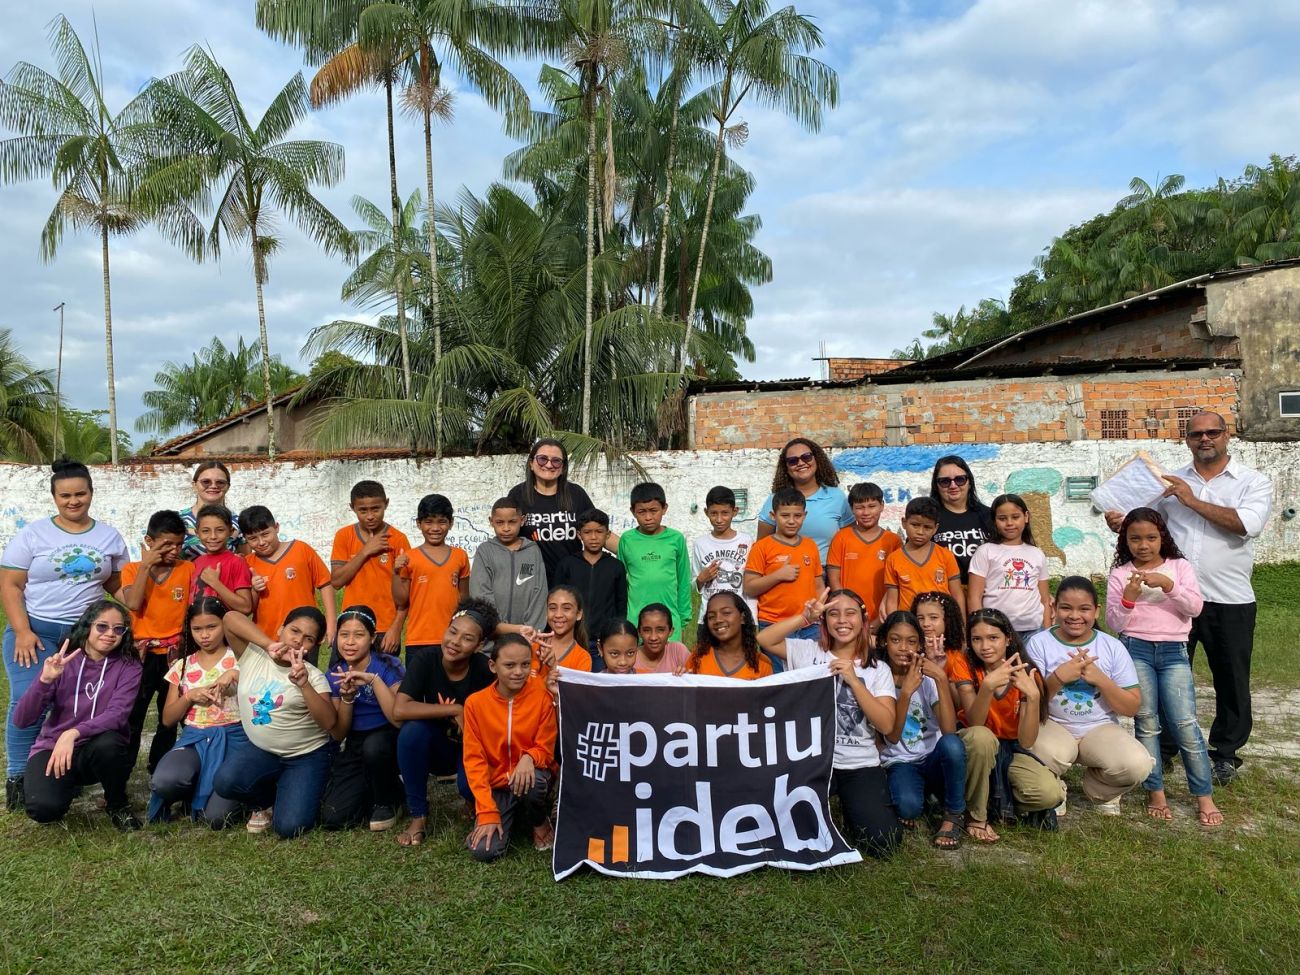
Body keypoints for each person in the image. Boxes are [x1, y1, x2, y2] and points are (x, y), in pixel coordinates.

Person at [1104, 410, 1273, 786]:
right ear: (1187, 440)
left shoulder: (1252, 482)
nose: (1204, 439)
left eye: (1212, 432)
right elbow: (1146, 526)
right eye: (1196, 434)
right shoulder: (1168, 482)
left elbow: (1247, 525)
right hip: (1171, 599)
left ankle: (1225, 753)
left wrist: (1190, 499)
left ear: (1227, 435)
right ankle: (1163, 749)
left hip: (1229, 597)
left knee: (1231, 679)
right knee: (1166, 674)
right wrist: (1122, 523)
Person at [2, 460, 128, 810]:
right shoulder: (34, 534)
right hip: (37, 631)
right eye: (65, 496)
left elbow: (116, 583)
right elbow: (10, 585)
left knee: (78, 703)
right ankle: (18, 775)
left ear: (91, 493)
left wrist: (137, 603)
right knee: (28, 697)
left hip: (85, 636)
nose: (73, 501)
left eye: (80, 494)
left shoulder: (108, 536)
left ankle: (67, 768)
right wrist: (22, 631)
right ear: (55, 497)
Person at [757, 588, 902, 857]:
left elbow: (886, 726)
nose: (842, 620)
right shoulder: (807, 651)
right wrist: (804, 618)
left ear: (863, 619)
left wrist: (854, 681)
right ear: (824, 620)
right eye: (834, 614)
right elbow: (764, 638)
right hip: (812, 761)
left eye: (850, 613)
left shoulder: (877, 668)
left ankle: (851, 806)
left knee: (884, 843)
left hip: (859, 763)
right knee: (789, 836)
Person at [1106, 511, 1221, 826]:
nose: (1143, 545)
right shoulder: (1121, 573)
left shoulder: (1179, 567)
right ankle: (1155, 791)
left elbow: (1194, 608)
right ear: (1125, 541)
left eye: (1151, 538)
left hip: (1173, 651)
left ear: (1163, 538)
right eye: (1135, 539)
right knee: (1146, 722)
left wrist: (1169, 586)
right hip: (1136, 650)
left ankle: (1204, 795)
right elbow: (1114, 623)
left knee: (1185, 723)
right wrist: (1129, 598)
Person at [1024, 577, 1154, 815]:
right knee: (1037, 750)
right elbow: (1029, 702)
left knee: (1138, 764)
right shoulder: (1039, 643)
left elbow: (1131, 707)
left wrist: (1101, 679)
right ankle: (1054, 788)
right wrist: (1058, 678)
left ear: (1096, 611)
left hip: (1099, 727)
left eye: (1084, 609)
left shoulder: (1112, 646)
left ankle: (1100, 789)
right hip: (1052, 724)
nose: (1075, 616)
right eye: (1066, 608)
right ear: (1053, 608)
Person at [16, 600, 142, 830]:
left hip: (96, 747)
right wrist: (45, 680)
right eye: (102, 626)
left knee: (111, 743)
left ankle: (117, 804)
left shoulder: (129, 666)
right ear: (87, 626)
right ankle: (64, 785)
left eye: (118, 629)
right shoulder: (63, 662)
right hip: (55, 747)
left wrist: (73, 732)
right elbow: (22, 719)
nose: (110, 634)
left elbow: (117, 715)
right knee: (43, 809)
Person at [212, 608, 336, 839]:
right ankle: (266, 801)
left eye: (308, 638)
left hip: (305, 756)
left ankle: (304, 787)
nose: (298, 640)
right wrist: (268, 644)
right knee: (225, 782)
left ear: (313, 646)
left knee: (290, 827)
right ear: (281, 629)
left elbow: (329, 722)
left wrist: (304, 685)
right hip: (264, 751)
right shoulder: (253, 656)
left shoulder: (313, 676)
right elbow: (229, 618)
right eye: (294, 631)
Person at [947, 609, 1062, 840]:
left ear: (1008, 639)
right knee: (982, 737)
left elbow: (1026, 741)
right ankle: (976, 816)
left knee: (1049, 794)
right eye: (976, 639)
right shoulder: (965, 664)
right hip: (974, 745)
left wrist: (1033, 697)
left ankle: (998, 803)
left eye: (993, 638)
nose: (985, 646)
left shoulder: (1026, 673)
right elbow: (975, 723)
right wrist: (988, 687)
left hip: (1010, 747)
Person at [393, 599, 500, 847]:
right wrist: (454, 708)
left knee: (468, 787)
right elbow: (400, 709)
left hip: (472, 749)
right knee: (411, 733)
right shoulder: (426, 659)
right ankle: (418, 815)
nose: (455, 642)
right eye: (453, 631)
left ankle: (472, 801)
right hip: (438, 747)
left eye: (467, 638)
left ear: (479, 645)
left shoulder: (485, 671)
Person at [146, 596, 244, 825]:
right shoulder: (182, 666)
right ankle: (194, 785)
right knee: (165, 781)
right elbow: (168, 719)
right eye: (197, 629)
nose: (205, 635)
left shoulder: (240, 658)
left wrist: (233, 676)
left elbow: (257, 687)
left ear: (224, 624)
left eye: (212, 627)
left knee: (217, 818)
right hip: (195, 738)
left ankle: (237, 795)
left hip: (235, 738)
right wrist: (189, 697)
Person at [463, 633, 558, 861]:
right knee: (484, 852)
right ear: (493, 666)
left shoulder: (541, 697)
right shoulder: (475, 704)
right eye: (509, 665)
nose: (518, 672)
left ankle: (538, 820)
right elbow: (474, 760)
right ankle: (497, 816)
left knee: (535, 781)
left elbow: (546, 749)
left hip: (532, 777)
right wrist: (487, 811)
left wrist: (529, 757)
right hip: (497, 786)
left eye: (525, 664)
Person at [877, 611, 965, 849]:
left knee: (952, 745)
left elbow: (949, 730)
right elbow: (891, 737)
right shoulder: (878, 676)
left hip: (932, 757)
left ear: (920, 645)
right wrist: (905, 693)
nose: (903, 648)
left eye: (911, 641)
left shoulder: (927, 677)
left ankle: (954, 813)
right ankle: (925, 796)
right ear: (884, 641)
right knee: (908, 807)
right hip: (900, 761)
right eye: (895, 640)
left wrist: (941, 678)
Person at [119, 509, 194, 774]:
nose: (174, 550)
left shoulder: (187, 569)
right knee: (133, 715)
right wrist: (146, 566)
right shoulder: (131, 570)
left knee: (168, 717)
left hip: (175, 655)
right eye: (167, 544)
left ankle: (159, 768)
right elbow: (133, 603)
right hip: (140, 656)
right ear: (149, 541)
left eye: (179, 544)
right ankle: (122, 773)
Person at [321, 606, 406, 832]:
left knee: (374, 747)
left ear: (372, 638)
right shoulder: (334, 674)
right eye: (344, 635)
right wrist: (347, 699)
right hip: (355, 743)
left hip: (388, 738)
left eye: (358, 635)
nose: (350, 642)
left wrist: (374, 681)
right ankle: (378, 789)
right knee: (334, 817)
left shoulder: (388, 665)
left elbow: (398, 719)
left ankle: (388, 800)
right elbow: (339, 733)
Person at [507, 438, 616, 586]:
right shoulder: (518, 495)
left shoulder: (576, 494)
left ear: (563, 467)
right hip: (531, 581)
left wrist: (634, 552)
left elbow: (597, 530)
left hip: (572, 579)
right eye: (542, 459)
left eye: (556, 461)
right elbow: (506, 535)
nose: (549, 465)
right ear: (531, 463)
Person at [242, 505, 337, 662]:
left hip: (305, 636)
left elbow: (325, 583)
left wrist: (331, 622)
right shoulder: (247, 564)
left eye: (265, 534)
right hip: (268, 639)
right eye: (253, 538)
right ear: (245, 539)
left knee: (306, 674)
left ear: (276, 527)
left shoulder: (301, 550)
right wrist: (254, 590)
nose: (261, 542)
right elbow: (247, 608)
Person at [330, 480, 411, 656]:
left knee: (382, 673)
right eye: (363, 510)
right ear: (352, 508)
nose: (370, 516)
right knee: (345, 673)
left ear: (386, 504)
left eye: (375, 509)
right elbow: (336, 581)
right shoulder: (344, 536)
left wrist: (396, 628)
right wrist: (365, 551)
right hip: (351, 624)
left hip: (385, 628)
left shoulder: (398, 539)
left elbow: (406, 592)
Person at [392, 494, 470, 664]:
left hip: (452, 639)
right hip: (418, 639)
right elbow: (401, 600)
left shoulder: (460, 556)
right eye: (428, 522)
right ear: (418, 524)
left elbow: (464, 598)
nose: (435, 528)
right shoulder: (409, 558)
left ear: (451, 523)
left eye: (442, 522)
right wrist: (396, 572)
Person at [967, 493, 1052, 643]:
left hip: (1033, 631)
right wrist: (980, 629)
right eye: (1002, 518)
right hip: (996, 630)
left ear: (1026, 517)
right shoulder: (985, 551)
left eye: (1015, 517)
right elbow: (974, 597)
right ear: (994, 521)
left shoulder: (1037, 554)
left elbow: (1045, 600)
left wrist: (1046, 634)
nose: (1009, 523)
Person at [744, 488, 824, 646]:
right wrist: (778, 575)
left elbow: (818, 585)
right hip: (774, 624)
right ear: (773, 516)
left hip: (809, 624)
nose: (791, 521)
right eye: (785, 515)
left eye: (797, 516)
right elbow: (749, 588)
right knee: (779, 664)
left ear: (804, 515)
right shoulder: (761, 547)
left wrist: (821, 612)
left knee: (811, 663)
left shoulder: (810, 546)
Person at [618, 483, 692, 643]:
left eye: (653, 510)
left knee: (670, 659)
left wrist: (683, 620)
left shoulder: (676, 539)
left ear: (664, 508)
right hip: (635, 622)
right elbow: (620, 582)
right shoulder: (627, 540)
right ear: (633, 511)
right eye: (641, 512)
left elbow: (684, 580)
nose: (648, 517)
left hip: (670, 621)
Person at [757, 437, 852, 561]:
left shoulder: (837, 497)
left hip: (827, 570)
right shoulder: (776, 499)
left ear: (816, 459)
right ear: (786, 467)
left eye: (806, 457)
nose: (801, 463)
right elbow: (761, 547)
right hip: (786, 569)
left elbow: (850, 541)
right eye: (793, 461)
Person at [554, 508, 627, 660]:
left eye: (599, 532)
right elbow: (555, 602)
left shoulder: (616, 566)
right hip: (571, 640)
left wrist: (615, 634)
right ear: (579, 534)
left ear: (608, 534)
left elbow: (621, 605)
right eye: (587, 532)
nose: (593, 537)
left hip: (603, 642)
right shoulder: (567, 565)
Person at [470, 497, 548, 636]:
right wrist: (498, 625)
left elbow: (540, 592)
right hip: (492, 635)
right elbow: (480, 593)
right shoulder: (485, 551)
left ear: (522, 520)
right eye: (500, 522)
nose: (506, 528)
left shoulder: (532, 551)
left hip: (528, 637)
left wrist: (531, 629)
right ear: (491, 521)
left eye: (512, 522)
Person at [826, 481, 900, 622]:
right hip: (849, 616)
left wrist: (882, 617)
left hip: (882, 615)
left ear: (882, 506)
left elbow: (896, 584)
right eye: (859, 507)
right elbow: (834, 579)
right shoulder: (841, 537)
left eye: (872, 506)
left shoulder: (893, 541)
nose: (866, 513)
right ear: (852, 509)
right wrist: (847, 609)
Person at [883, 497, 965, 616]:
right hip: (909, 622)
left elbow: (957, 594)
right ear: (904, 523)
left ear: (935, 528)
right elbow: (892, 601)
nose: (920, 532)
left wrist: (961, 624)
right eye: (915, 525)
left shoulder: (945, 555)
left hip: (941, 621)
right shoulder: (893, 559)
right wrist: (894, 623)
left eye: (927, 527)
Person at [691, 486, 756, 624]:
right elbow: (695, 583)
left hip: (740, 617)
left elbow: (752, 579)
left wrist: (751, 617)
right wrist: (702, 578)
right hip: (709, 617)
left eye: (725, 513)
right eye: (714, 513)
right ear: (706, 512)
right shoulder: (700, 544)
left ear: (735, 511)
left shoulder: (747, 541)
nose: (719, 519)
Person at [928, 454, 993, 583]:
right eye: (945, 481)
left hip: (986, 590)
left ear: (970, 482)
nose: (953, 485)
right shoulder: (928, 518)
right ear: (936, 486)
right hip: (943, 590)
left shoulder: (989, 515)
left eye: (960, 479)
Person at [689, 592, 773, 680]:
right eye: (711, 616)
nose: (718, 620)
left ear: (742, 618)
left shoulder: (762, 663)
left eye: (726, 613)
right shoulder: (698, 657)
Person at [189, 504, 253, 614]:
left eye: (220, 530)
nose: (213, 536)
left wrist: (215, 583)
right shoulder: (196, 563)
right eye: (206, 531)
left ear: (230, 531)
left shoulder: (236, 562)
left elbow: (246, 607)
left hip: (223, 623)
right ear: (197, 533)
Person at [180, 461, 245, 560]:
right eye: (206, 482)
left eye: (220, 482)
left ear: (228, 486)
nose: (213, 486)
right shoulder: (178, 520)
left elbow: (245, 560)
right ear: (194, 485)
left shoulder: (239, 522)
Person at [533, 585, 594, 679]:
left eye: (566, 608)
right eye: (552, 608)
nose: (558, 615)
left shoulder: (583, 658)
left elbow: (575, 689)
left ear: (578, 614)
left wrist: (554, 665)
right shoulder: (534, 646)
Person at [911, 591, 964, 670]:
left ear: (948, 620)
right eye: (920, 618)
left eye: (933, 617)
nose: (926, 624)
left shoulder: (959, 657)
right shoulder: (910, 652)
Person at [635, 604, 691, 674]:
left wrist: (686, 673)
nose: (653, 637)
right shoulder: (631, 657)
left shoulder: (678, 651)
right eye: (647, 630)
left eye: (660, 630)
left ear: (670, 631)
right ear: (639, 632)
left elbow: (695, 674)